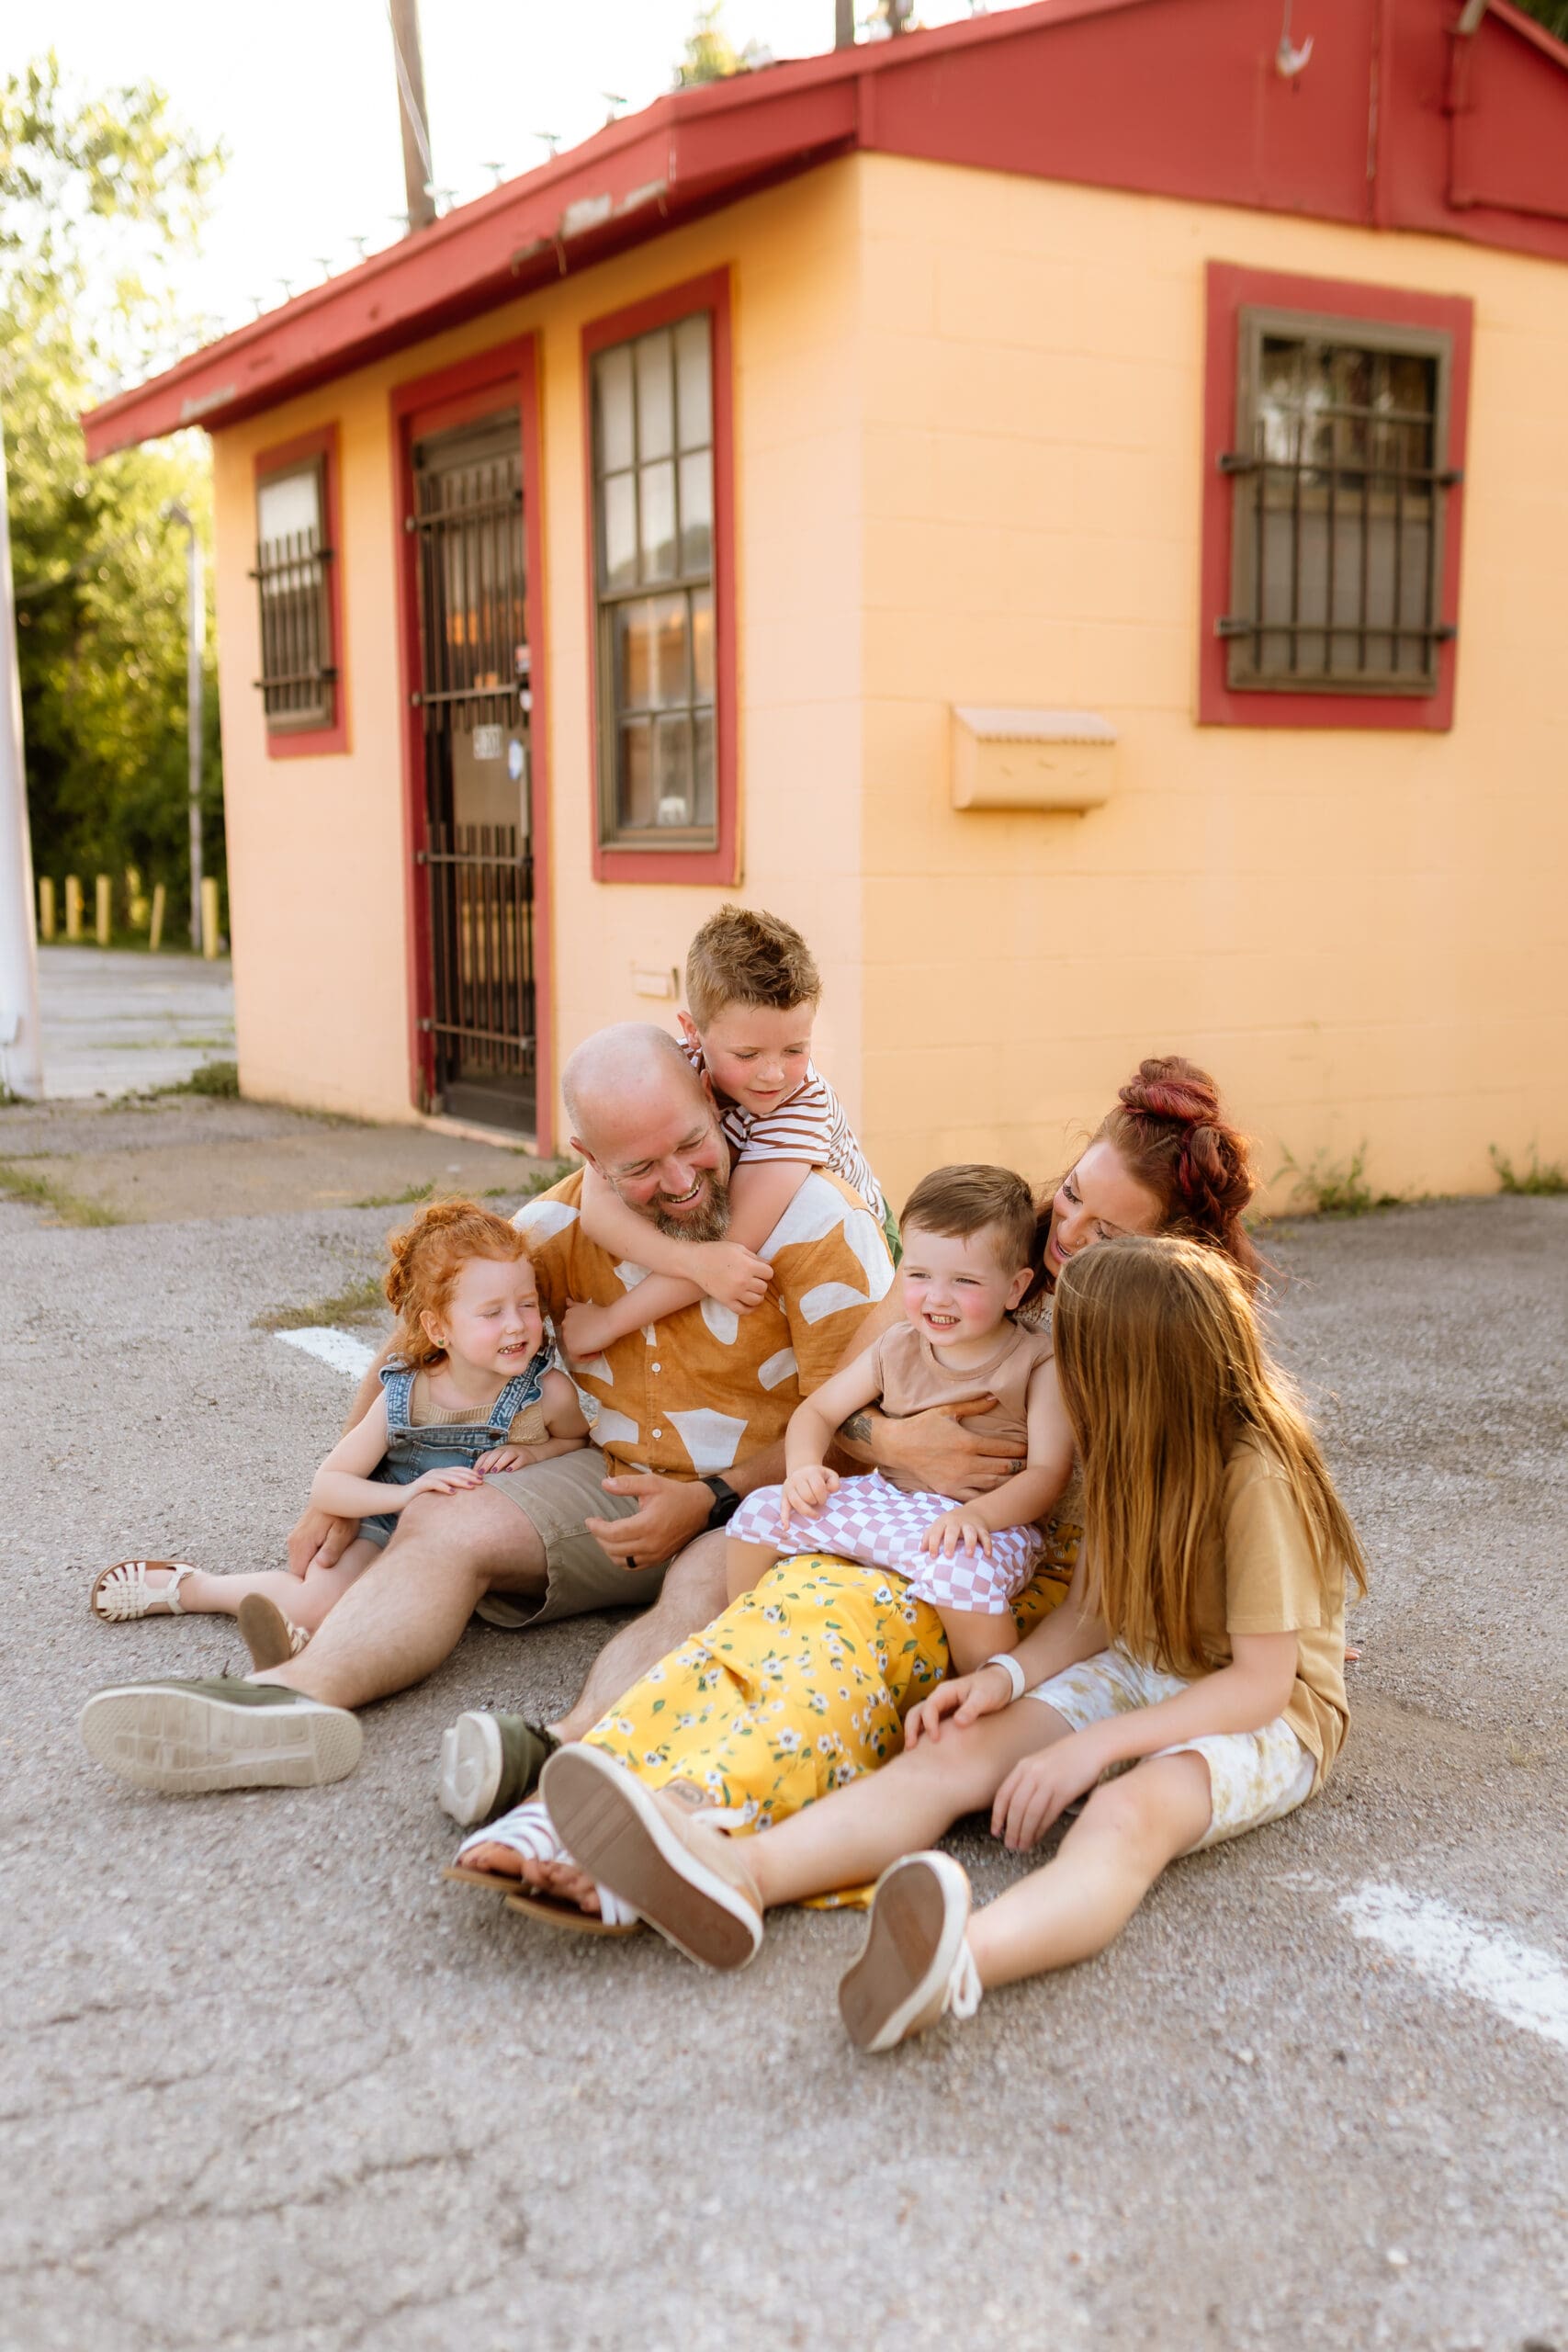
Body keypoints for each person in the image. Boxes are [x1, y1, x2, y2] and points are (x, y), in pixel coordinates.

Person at [445, 1056, 1266, 1926]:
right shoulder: (987, 1252)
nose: (1066, 1233)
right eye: (1070, 1195)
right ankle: (585, 1777)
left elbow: (1239, 1505)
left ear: (1170, 1256)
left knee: (825, 1661)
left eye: (1104, 1232)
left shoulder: (1164, 1342)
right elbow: (836, 1404)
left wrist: (1252, 1610)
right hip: (887, 1516)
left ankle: (683, 1828)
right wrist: (898, 1440)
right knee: (742, 1603)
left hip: (997, 1575)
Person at [540, 1231, 1368, 2051]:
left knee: (1127, 1812)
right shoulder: (1126, 1441)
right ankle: (741, 1877)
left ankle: (956, 1963)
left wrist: (1092, 1749)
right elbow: (1090, 1615)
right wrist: (1002, 1679)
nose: (1057, 1375)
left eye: (1075, 1360)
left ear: (1131, 1373)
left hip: (1265, 1708)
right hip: (1140, 1664)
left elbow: (1259, 1684)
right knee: (948, 1749)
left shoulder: (1256, 1474)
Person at [76, 1024, 894, 1799]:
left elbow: (857, 1438)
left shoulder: (819, 1228)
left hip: (757, 1497)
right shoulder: (554, 1227)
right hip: (604, 1477)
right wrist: (331, 1492)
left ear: (715, 1105)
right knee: (446, 1518)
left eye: (691, 1143)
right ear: (587, 1158)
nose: (678, 1182)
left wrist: (709, 1499)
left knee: (698, 1588)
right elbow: (418, 1343)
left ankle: (558, 1756)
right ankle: (286, 1703)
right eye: (639, 1167)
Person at [85, 1201, 587, 1667]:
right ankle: (195, 1588)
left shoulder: (545, 1394)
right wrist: (407, 1493)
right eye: (492, 1312)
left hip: (458, 1544)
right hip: (385, 1526)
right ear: (439, 1330)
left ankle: (313, 1640)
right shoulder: (405, 1396)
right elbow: (330, 1485)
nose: (517, 1325)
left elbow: (576, 1446)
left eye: (526, 1305)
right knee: (316, 1604)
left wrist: (532, 1452)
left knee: (393, 1619)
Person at [725, 1164, 1071, 1673]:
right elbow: (817, 1411)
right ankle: (742, 1643)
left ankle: (989, 1690)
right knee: (758, 1513)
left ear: (1016, 1289)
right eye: (919, 1274)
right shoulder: (898, 1346)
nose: (937, 1297)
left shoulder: (1035, 1363)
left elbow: (1047, 1475)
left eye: (965, 1281)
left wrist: (978, 1516)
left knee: (962, 1576)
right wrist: (801, 1468)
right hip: (888, 1502)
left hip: (986, 1525)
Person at [562, 905, 894, 1371]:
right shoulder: (670, 1070)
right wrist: (692, 1261)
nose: (774, 1074)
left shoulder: (800, 1107)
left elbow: (733, 1250)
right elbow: (598, 1210)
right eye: (748, 1054)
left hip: (862, 1242)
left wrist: (610, 1322)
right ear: (692, 1033)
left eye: (795, 1049)